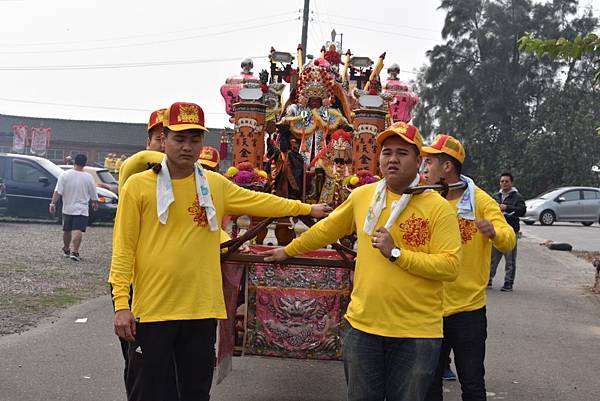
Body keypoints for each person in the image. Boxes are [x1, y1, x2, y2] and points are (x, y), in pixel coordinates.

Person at [109, 101, 331, 401]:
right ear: (165, 138)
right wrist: (122, 303)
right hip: (153, 311)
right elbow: (123, 249)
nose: (187, 147)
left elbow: (262, 202)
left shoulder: (214, 185)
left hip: (201, 310)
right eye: (179, 138)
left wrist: (307, 208)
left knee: (196, 392)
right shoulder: (138, 186)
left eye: (195, 139)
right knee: (147, 392)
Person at [264, 121, 463, 401]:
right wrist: (288, 251)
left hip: (416, 333)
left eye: (402, 153)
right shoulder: (363, 197)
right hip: (363, 329)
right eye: (387, 152)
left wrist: (397, 254)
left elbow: (450, 266)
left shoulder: (438, 208)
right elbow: (326, 229)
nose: (392, 159)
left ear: (418, 160)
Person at [421, 134, 516, 401]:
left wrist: (494, 231)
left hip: (468, 311)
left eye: (429, 162)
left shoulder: (481, 202)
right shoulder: (424, 199)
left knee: (472, 384)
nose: (424, 168)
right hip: (429, 309)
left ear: (447, 167)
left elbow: (508, 240)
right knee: (428, 386)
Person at [49, 153, 98, 261]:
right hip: (82, 209)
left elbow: (58, 191)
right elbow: (93, 193)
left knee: (67, 230)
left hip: (67, 208)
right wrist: (94, 203)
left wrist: (53, 203)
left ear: (74, 162)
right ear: (85, 163)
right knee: (78, 229)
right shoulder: (88, 177)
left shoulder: (64, 175)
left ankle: (66, 249)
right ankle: (75, 252)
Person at [489, 172, 526, 292]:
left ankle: (508, 283)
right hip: (497, 231)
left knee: (509, 259)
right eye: (502, 181)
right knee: (492, 258)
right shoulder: (496, 196)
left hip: (511, 231)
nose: (504, 183)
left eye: (506, 181)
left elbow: (522, 211)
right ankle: (488, 279)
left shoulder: (517, 197)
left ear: (511, 182)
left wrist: (507, 208)